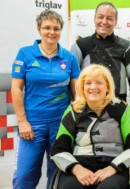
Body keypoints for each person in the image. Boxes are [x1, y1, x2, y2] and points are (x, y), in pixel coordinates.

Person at [11, 10, 80, 189]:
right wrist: (22, 121)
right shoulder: (25, 54)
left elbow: (77, 93)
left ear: (61, 31)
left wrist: (76, 122)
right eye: (47, 28)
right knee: (24, 176)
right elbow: (16, 89)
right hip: (32, 125)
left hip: (61, 125)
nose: (52, 32)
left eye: (56, 28)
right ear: (39, 29)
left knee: (57, 175)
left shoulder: (69, 57)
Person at [50, 64, 130, 189]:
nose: (93, 87)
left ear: (107, 87)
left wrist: (112, 168)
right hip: (79, 164)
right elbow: (58, 149)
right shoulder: (73, 110)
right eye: (88, 83)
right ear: (82, 87)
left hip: (113, 165)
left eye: (99, 82)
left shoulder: (121, 109)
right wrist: (77, 169)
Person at [70, 1, 130, 120]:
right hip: (87, 111)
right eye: (100, 17)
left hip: (118, 111)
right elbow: (72, 79)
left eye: (109, 18)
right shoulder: (80, 45)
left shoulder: (127, 47)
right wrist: (77, 105)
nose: (104, 22)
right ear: (94, 19)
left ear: (115, 21)